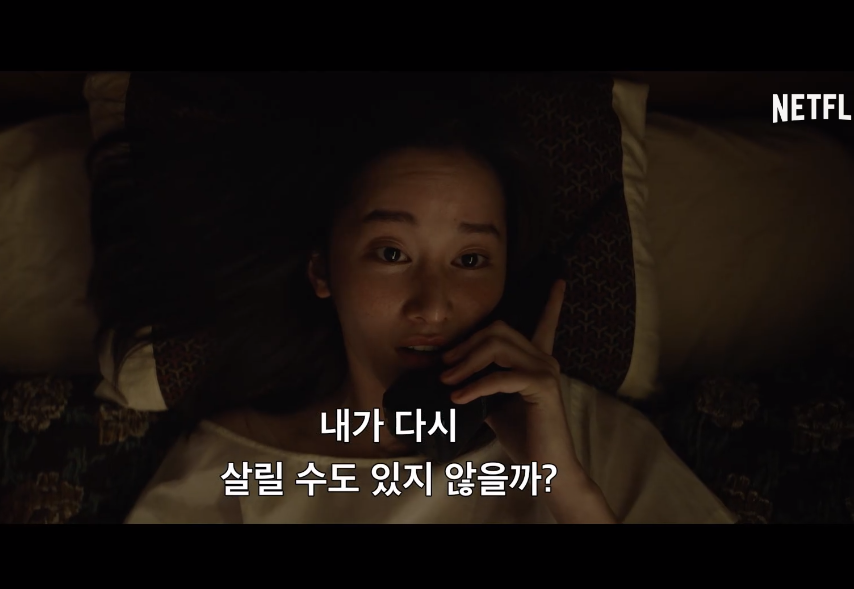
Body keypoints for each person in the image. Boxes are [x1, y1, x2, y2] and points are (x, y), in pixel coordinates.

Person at [96, 75, 735, 523]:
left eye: (470, 260)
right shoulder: (231, 471)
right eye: (391, 253)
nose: (432, 306)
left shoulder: (591, 438)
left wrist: (565, 488)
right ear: (323, 271)